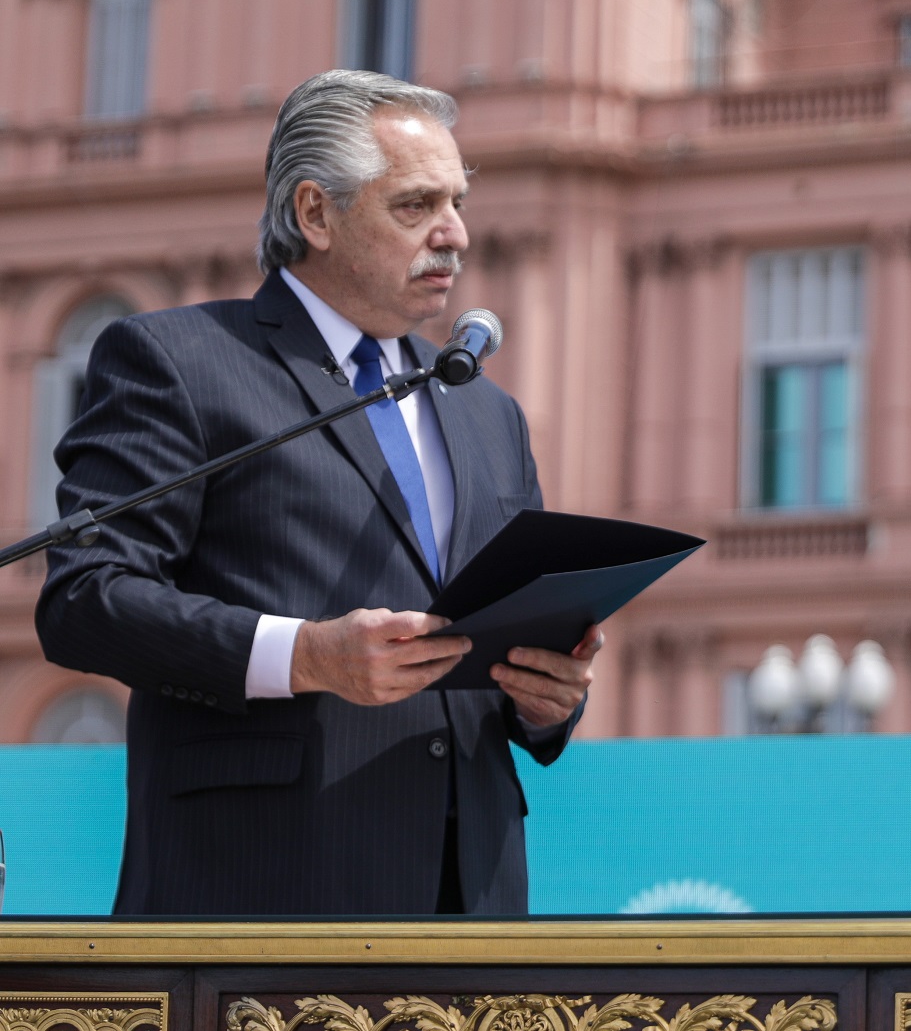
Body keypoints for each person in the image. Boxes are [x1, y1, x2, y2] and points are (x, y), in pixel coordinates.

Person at [37, 70, 601, 915]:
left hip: (470, 903)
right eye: (416, 206)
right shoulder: (180, 361)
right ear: (315, 213)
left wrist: (549, 698)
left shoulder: (489, 413)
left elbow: (506, 652)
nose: (455, 236)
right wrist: (304, 656)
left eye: (457, 202)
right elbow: (84, 596)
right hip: (259, 891)